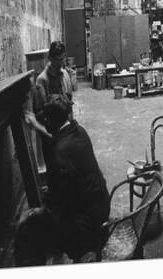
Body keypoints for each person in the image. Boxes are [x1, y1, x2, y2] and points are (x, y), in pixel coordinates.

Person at [16, 94, 110, 266]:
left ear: (51, 121)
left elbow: (59, 203)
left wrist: (41, 209)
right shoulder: (79, 132)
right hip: (102, 206)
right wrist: (37, 126)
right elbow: (59, 140)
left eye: (46, 120)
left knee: (28, 226)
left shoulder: (59, 156)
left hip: (87, 222)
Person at [35, 41, 73, 120]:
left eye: (62, 59)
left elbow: (69, 101)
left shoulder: (65, 74)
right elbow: (40, 111)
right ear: (50, 58)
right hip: (53, 126)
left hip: (67, 123)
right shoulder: (42, 80)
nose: (61, 63)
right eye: (58, 60)